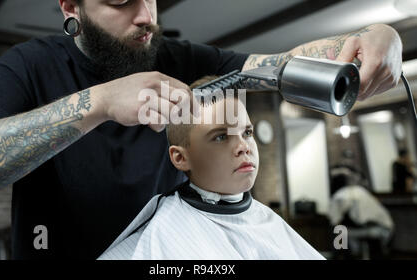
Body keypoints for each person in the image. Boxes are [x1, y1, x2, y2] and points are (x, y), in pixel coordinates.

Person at [0, 0, 403, 259]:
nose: (146, 17)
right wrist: (99, 104)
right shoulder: (29, 66)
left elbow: (274, 66)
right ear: (70, 8)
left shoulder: (180, 59)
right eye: (122, 3)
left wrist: (375, 37)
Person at [98, 76, 325, 260]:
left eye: (247, 133)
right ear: (180, 158)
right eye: (221, 137)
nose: (243, 147)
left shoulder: (266, 219)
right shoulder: (162, 231)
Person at [328, 171, 394, 259]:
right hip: (384, 229)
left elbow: (335, 220)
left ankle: (341, 256)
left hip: (367, 229)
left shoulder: (339, 196)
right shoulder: (360, 190)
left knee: (338, 230)